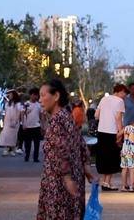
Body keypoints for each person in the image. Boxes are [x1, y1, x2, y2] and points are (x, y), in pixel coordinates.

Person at [38, 79, 97, 220]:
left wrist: (67, 178)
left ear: (56, 96)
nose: (40, 100)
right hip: (75, 175)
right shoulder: (67, 116)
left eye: (43, 95)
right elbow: (81, 144)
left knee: (59, 214)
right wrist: (87, 170)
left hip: (58, 181)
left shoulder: (56, 120)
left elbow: (61, 151)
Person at [94, 84, 127, 190]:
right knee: (112, 157)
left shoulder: (104, 99)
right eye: (124, 93)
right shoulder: (120, 101)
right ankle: (107, 183)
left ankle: (104, 182)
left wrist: (105, 118)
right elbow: (118, 118)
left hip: (101, 131)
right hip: (112, 132)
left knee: (104, 156)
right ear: (121, 91)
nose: (125, 96)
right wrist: (121, 132)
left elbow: (96, 115)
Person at [0, 90, 23, 157]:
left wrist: (16, 120)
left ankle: (12, 150)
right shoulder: (7, 104)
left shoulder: (18, 104)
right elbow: (6, 113)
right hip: (7, 121)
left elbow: (19, 112)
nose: (9, 96)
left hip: (15, 122)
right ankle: (6, 150)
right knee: (5, 135)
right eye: (9, 95)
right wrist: (3, 122)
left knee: (13, 136)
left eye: (10, 95)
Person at [21, 89, 43, 162]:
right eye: (34, 95)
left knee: (37, 143)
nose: (36, 97)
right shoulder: (26, 104)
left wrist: (42, 125)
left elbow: (41, 115)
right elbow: (22, 114)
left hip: (36, 126)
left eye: (37, 95)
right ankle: (27, 156)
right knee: (27, 143)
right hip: (27, 126)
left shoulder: (39, 105)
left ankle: (35, 158)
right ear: (31, 95)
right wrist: (23, 124)